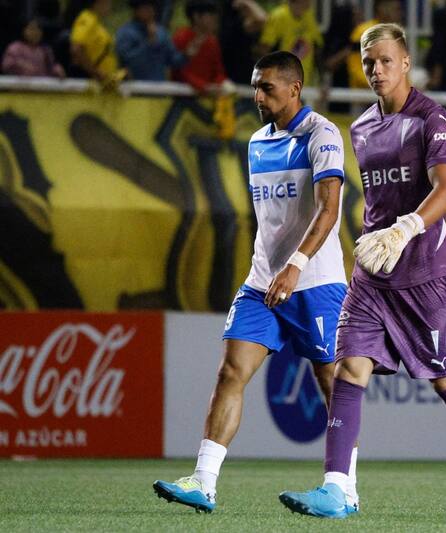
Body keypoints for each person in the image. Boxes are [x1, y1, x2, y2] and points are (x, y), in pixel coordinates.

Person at [278, 23, 446, 521]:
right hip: (374, 275)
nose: (375, 69)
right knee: (347, 369)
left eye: (384, 60)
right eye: (367, 61)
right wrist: (378, 239)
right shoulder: (360, 127)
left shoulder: (432, 119)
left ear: (405, 64)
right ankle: (338, 489)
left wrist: (405, 229)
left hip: (424, 274)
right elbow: (378, 199)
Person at [153, 51, 359, 514]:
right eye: (254, 86)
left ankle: (344, 489)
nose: (257, 95)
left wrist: (296, 265)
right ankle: (203, 483)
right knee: (230, 372)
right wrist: (272, 267)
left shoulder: (322, 134)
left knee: (333, 385)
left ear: (294, 88)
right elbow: (271, 221)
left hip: (316, 282)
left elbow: (329, 211)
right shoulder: (256, 142)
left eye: (266, 87)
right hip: (263, 282)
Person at [258, 0, 323, 86]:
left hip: (305, 85)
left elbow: (318, 48)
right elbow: (264, 50)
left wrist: (322, 82)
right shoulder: (279, 16)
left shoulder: (309, 16)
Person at [116, 0, 186, 81]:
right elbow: (127, 62)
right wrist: (149, 43)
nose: (151, 11)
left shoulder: (161, 32)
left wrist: (186, 55)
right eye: (146, 8)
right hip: (134, 86)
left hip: (159, 86)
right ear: (136, 11)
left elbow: (172, 60)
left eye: (152, 8)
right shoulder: (126, 32)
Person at [172, 0, 228, 94]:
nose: (215, 19)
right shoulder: (181, 37)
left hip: (207, 96)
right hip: (183, 96)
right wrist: (203, 86)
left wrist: (221, 83)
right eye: (210, 14)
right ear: (196, 17)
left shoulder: (213, 42)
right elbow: (179, 72)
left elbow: (218, 71)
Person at [346, 0, 402, 89]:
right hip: (365, 95)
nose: (400, 14)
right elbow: (355, 68)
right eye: (396, 9)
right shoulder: (363, 32)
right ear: (381, 9)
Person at [69, 0, 124, 84]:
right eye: (108, 3)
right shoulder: (87, 18)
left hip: (105, 82)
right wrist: (96, 72)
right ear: (99, 2)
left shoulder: (96, 21)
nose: (110, 7)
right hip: (92, 82)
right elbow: (76, 48)